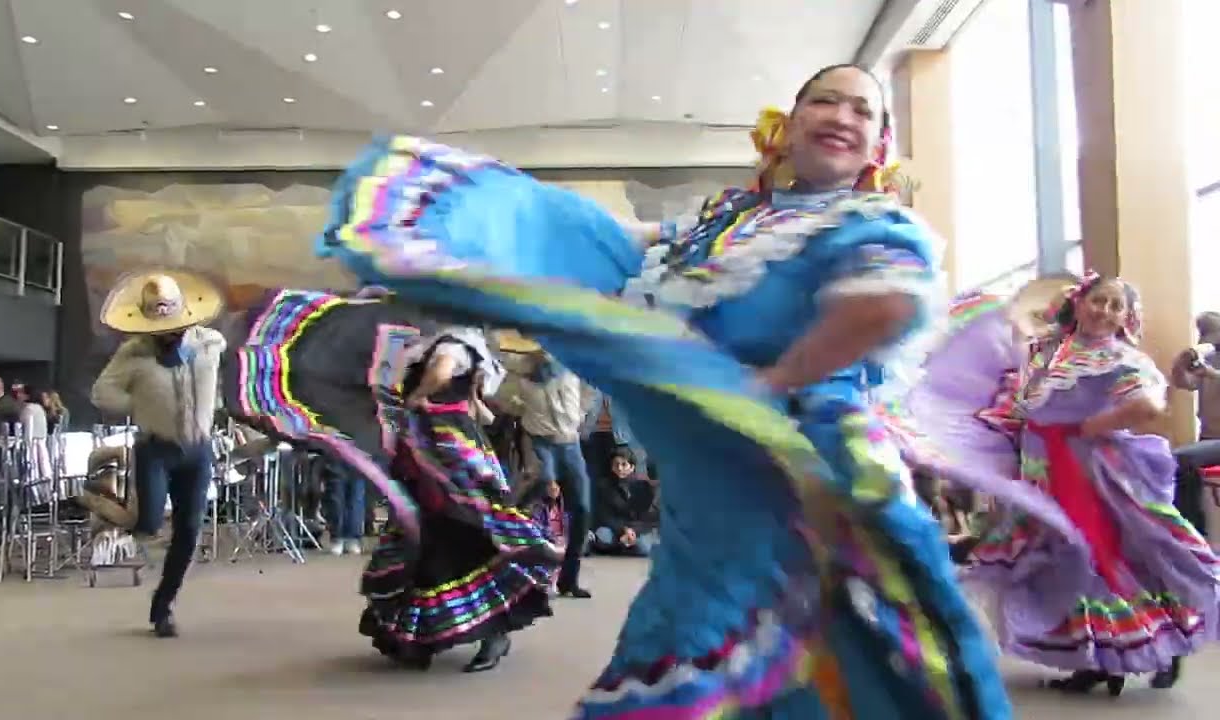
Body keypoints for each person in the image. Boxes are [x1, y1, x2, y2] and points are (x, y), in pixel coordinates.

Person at [310, 63, 1080, 717]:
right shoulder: (729, 220)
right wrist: (503, 238)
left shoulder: (873, 225)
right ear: (786, 124)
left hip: (806, 468)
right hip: (714, 473)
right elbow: (625, 252)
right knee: (726, 630)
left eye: (863, 110)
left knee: (747, 633)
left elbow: (883, 305)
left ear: (878, 144)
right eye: (825, 100)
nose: (842, 116)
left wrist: (771, 380)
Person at [221, 291, 557, 674]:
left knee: (458, 532)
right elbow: (480, 408)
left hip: (444, 450)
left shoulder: (453, 341)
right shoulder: (455, 340)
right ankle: (445, 636)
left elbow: (444, 372)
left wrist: (417, 397)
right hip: (442, 449)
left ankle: (490, 633)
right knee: (436, 536)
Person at [923, 273, 1220, 695]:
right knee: (1063, 561)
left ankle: (1160, 646)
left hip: (1095, 474)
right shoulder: (1048, 354)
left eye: (1116, 306)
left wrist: (1097, 423)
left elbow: (1150, 403)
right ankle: (1098, 657)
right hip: (1046, 470)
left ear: (1125, 319)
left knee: (1110, 557)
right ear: (1078, 304)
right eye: (1098, 301)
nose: (1105, 311)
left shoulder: (1120, 358)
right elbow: (1021, 401)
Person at [90, 270, 226, 639]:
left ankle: (163, 606)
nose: (169, 330)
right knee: (149, 521)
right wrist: (138, 403)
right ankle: (104, 510)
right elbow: (102, 392)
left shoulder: (211, 343)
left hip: (198, 450)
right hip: (156, 448)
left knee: (189, 531)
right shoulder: (132, 352)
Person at [497, 350, 594, 598]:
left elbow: (590, 390)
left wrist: (579, 415)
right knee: (539, 488)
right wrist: (526, 410)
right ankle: (512, 565)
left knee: (582, 507)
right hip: (539, 442)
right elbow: (502, 398)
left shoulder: (573, 365)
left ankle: (568, 579)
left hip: (571, 444)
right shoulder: (521, 369)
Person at [1168, 310, 1220, 536]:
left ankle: (1193, 535)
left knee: (1181, 460)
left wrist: (1213, 374)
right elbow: (1184, 383)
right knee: (1174, 463)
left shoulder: (1212, 368)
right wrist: (1179, 365)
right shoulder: (1207, 360)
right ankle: (1190, 532)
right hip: (1209, 438)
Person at [590, 446, 658, 557]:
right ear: (612, 467)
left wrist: (633, 530)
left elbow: (646, 517)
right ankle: (622, 546)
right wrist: (623, 529)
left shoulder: (642, 487)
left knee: (644, 547)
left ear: (632, 467)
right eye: (616, 465)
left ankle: (621, 547)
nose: (620, 468)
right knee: (603, 536)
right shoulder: (604, 486)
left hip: (636, 530)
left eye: (624, 464)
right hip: (615, 528)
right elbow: (605, 516)